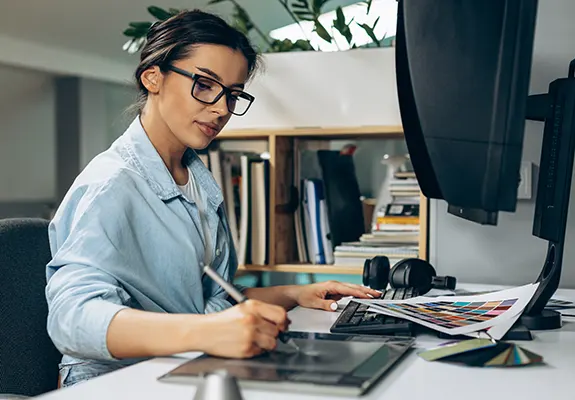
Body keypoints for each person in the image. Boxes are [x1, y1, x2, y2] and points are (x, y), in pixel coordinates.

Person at [45, 9, 380, 388]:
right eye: (205, 84)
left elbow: (207, 300)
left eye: (233, 94)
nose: (222, 109)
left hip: (185, 367)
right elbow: (71, 319)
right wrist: (205, 332)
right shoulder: (110, 185)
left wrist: (294, 293)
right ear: (152, 77)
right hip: (114, 382)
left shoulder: (199, 182)